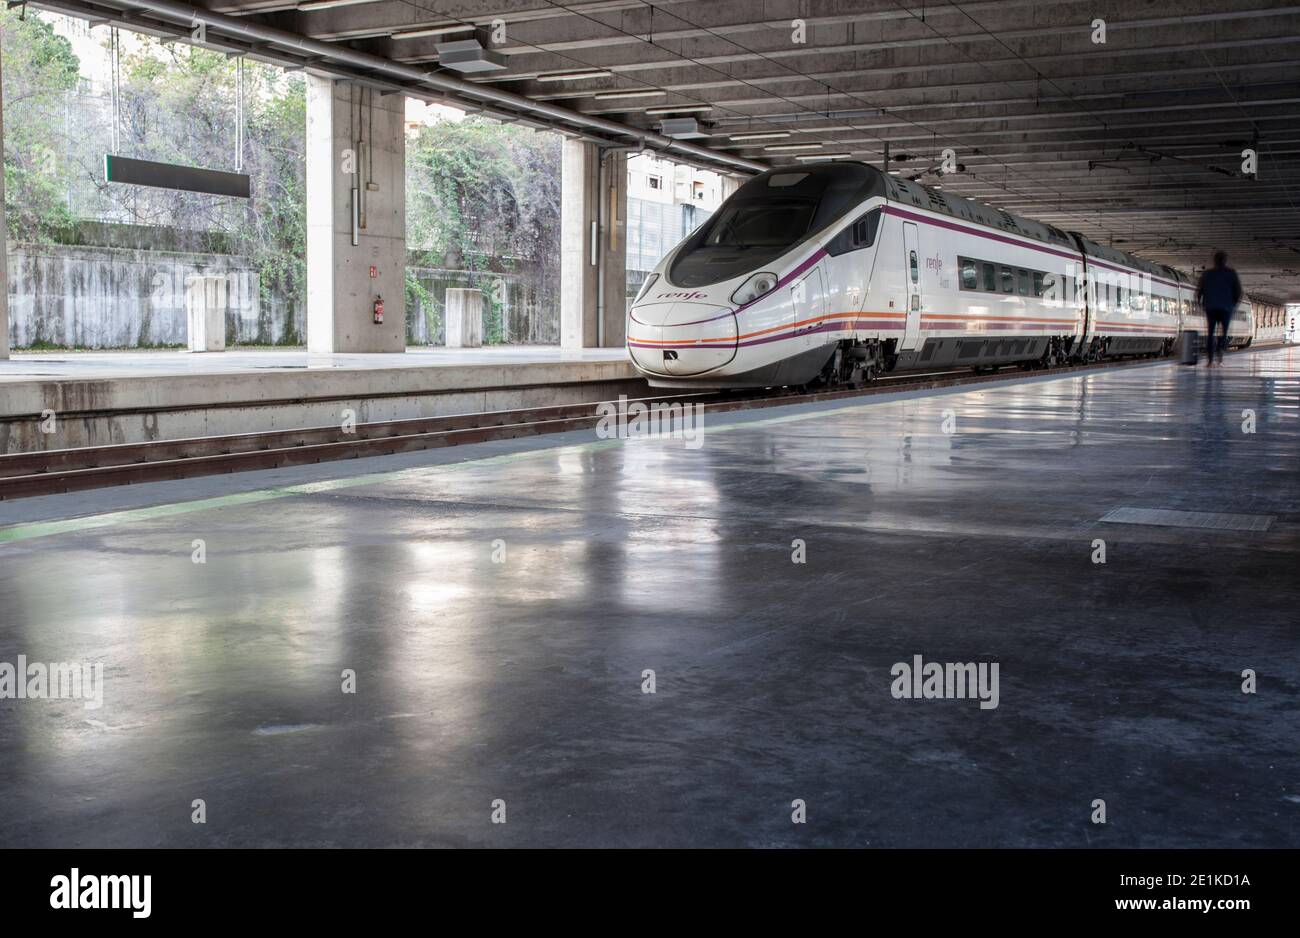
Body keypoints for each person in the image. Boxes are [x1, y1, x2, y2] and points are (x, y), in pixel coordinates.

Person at [1195, 251, 1242, 366]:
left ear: (1214, 261)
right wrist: (1233, 305)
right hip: (1226, 308)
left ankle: (1210, 361)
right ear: (1225, 260)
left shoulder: (1207, 274)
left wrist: (1200, 304)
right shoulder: (1231, 273)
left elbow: (1199, 291)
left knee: (1211, 333)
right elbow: (1238, 291)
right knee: (1224, 333)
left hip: (1210, 307)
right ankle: (1220, 355)